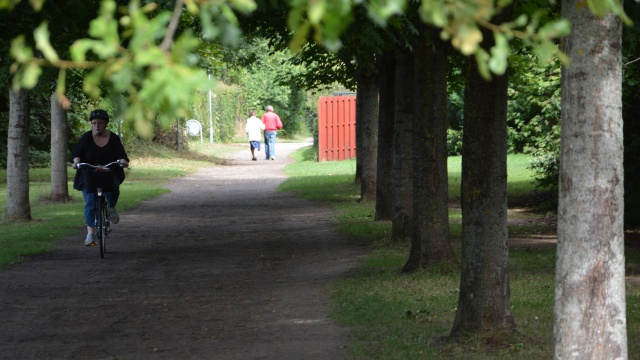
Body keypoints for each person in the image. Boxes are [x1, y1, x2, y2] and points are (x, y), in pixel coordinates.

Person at [70, 109, 130, 246]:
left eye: (100, 123)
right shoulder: (86, 138)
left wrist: (122, 162)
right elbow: (77, 153)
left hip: (109, 172)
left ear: (106, 124)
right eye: (94, 123)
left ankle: (112, 207)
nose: (97, 126)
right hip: (89, 174)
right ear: (91, 124)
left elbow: (122, 156)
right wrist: (76, 162)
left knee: (113, 187)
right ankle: (90, 233)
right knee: (90, 202)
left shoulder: (113, 138)